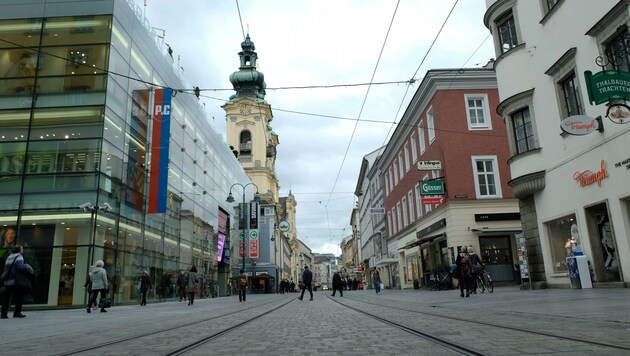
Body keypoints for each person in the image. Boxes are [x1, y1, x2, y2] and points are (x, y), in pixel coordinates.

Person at [1, 245, 34, 319]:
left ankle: (3, 314)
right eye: (22, 249)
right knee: (20, 296)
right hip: (15, 280)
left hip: (7, 280)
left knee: (7, 297)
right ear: (20, 250)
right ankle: (17, 313)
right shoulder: (19, 256)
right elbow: (20, 267)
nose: (22, 250)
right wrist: (26, 265)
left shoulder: (9, 256)